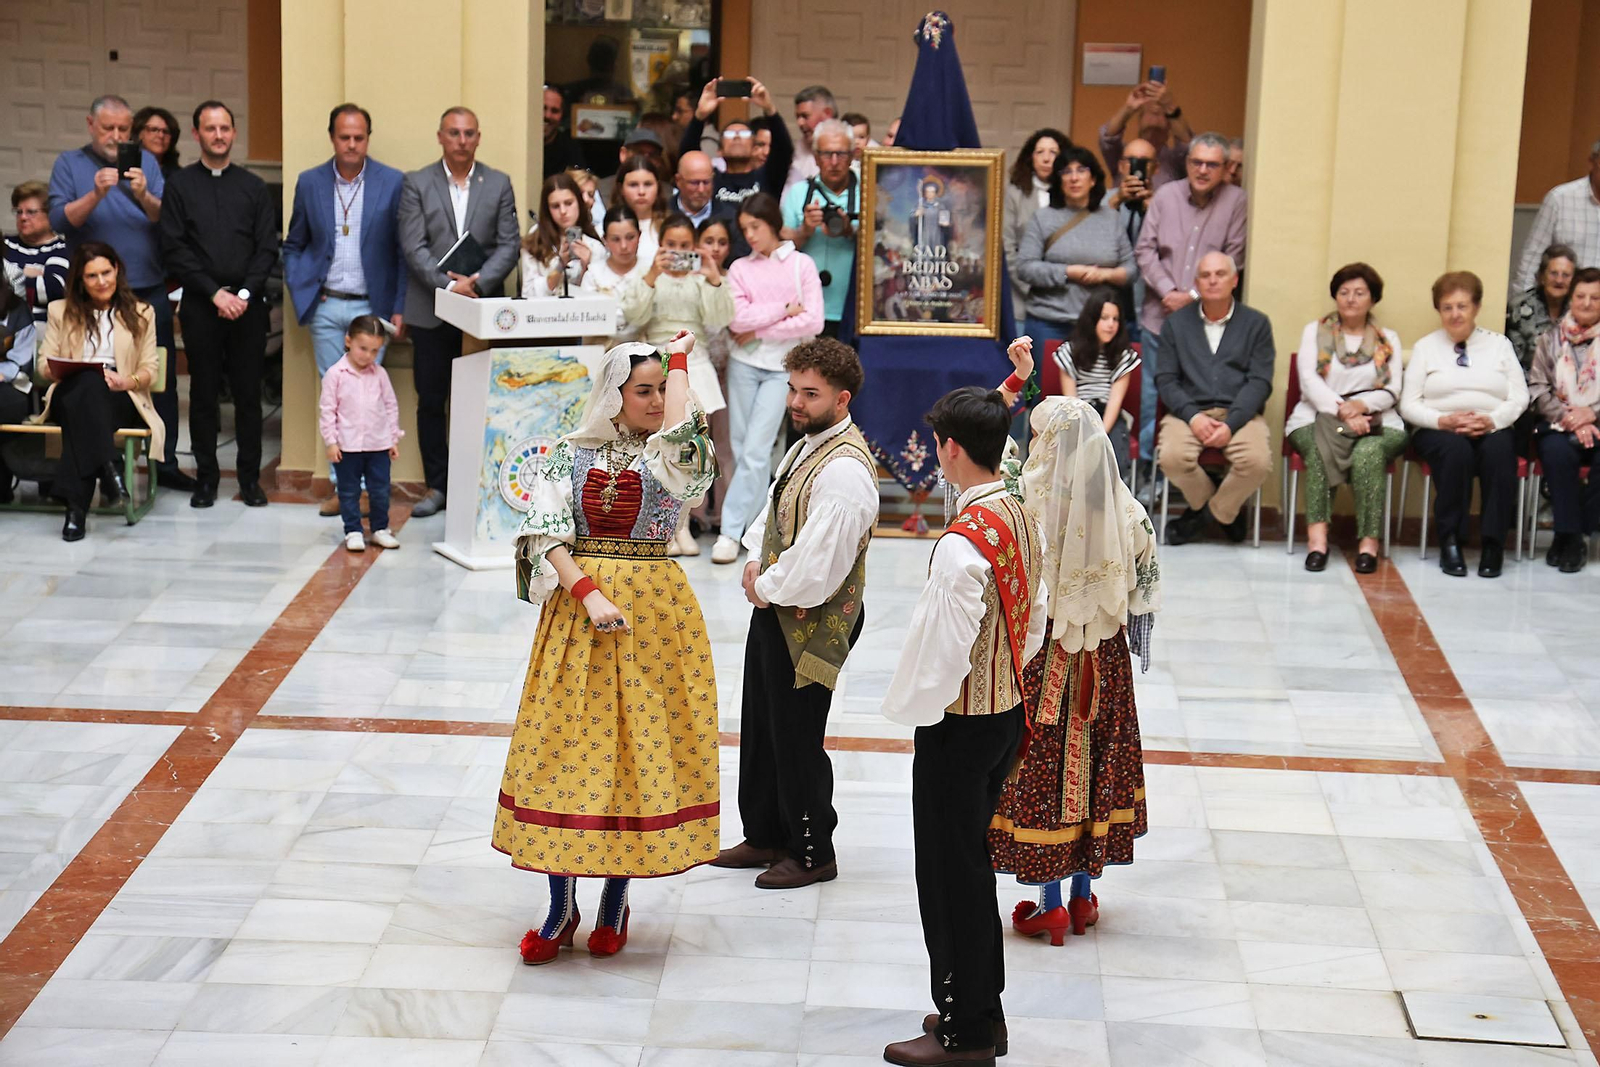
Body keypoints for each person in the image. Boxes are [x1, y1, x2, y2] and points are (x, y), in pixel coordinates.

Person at [496, 332, 719, 965]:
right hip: (580, 613)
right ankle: (560, 905)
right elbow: (543, 532)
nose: (654, 400)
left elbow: (687, 453)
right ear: (614, 393)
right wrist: (588, 591)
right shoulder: (567, 454)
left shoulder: (673, 456)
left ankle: (616, 898)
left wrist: (679, 364)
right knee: (567, 747)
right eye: (641, 389)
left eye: (661, 389)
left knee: (635, 749)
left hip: (654, 614)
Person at [881, 386, 1047, 1067]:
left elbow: (940, 655)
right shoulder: (1018, 511)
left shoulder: (959, 546)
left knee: (949, 879)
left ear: (950, 449)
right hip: (1006, 712)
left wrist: (919, 713)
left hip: (960, 726)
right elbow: (1036, 616)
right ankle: (984, 1009)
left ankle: (962, 1030)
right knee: (971, 868)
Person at [990, 346, 1159, 945]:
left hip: (1044, 657)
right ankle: (1085, 895)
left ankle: (1050, 901)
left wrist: (1019, 387)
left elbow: (988, 448)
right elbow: (1143, 592)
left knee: (1043, 764)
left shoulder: (1025, 502)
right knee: (1095, 759)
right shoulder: (1128, 509)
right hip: (1103, 661)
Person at [713, 338, 877, 888]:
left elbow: (821, 563)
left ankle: (812, 851)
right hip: (780, 605)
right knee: (761, 723)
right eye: (792, 389)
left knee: (796, 734)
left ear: (843, 398)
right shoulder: (808, 444)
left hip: (812, 617)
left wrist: (768, 585)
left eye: (810, 393)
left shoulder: (846, 470)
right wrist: (755, 556)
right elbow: (776, 503)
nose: (796, 402)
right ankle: (764, 834)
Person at [48, 94, 192, 491]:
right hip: (90, 292)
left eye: (124, 129)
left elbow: (165, 219)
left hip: (146, 286)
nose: (116, 136)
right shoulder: (69, 164)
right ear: (90, 124)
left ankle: (163, 462)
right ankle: (101, 462)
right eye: (108, 127)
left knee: (158, 374)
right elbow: (60, 219)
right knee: (91, 378)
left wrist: (144, 192)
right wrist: (95, 193)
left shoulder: (146, 162)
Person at [283, 102, 410, 516]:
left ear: (367, 139)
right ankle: (345, 490)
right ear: (332, 137)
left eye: (359, 137)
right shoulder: (310, 182)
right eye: (344, 137)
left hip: (372, 312)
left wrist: (397, 307)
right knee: (335, 398)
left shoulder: (392, 182)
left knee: (368, 400)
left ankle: (371, 489)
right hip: (326, 306)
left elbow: (402, 251)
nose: (352, 144)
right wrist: (301, 285)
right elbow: (294, 243)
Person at [397, 105, 521, 519]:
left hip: (483, 310)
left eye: (469, 133)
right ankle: (438, 486)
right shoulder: (416, 183)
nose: (462, 141)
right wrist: (451, 286)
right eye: (454, 133)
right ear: (440, 137)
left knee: (484, 399)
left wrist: (478, 283)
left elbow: (509, 243)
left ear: (478, 137)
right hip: (433, 309)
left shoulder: (499, 183)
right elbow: (413, 245)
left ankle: (480, 485)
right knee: (431, 400)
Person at [159, 100, 277, 509]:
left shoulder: (253, 187)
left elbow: (267, 247)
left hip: (247, 307)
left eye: (225, 127)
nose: (219, 135)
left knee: (248, 396)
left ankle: (249, 481)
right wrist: (215, 293)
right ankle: (207, 479)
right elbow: (174, 248)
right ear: (197, 134)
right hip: (200, 303)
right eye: (210, 128)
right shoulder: (180, 186)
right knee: (205, 395)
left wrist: (242, 295)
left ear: (234, 132)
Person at [712, 192, 825, 563]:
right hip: (743, 364)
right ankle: (755, 533)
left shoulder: (801, 265)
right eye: (745, 229)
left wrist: (760, 330)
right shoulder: (741, 268)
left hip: (781, 368)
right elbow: (736, 319)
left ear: (773, 223)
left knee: (757, 451)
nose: (750, 236)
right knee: (743, 449)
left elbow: (813, 321)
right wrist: (783, 311)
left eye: (755, 227)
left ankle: (730, 532)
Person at [1135, 132, 1247, 488]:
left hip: (1207, 322)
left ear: (1225, 167)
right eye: (1196, 162)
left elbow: (1235, 256)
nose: (1202, 170)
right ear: (1186, 163)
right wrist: (1169, 291)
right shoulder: (1166, 195)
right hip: (1159, 316)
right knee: (1153, 394)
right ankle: (1152, 476)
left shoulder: (1236, 201)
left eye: (1212, 164)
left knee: (1196, 394)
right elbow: (1145, 250)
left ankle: (1185, 476)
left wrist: (1194, 295)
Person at [1400, 271, 1528, 578]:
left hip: (1491, 425)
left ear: (1476, 307)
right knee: (1456, 451)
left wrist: (1492, 421)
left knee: (1499, 453)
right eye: (1447, 307)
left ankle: (1493, 544)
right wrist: (1443, 420)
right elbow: (1408, 404)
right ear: (1439, 311)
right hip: (1438, 430)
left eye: (1462, 306)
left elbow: (1520, 396)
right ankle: (1450, 540)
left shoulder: (1500, 345)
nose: (1455, 314)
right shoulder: (1425, 348)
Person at [620, 214, 735, 554]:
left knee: (691, 451)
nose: (678, 252)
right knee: (659, 448)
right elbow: (633, 316)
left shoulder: (702, 280)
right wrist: (653, 276)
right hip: (656, 364)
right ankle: (664, 526)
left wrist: (714, 279)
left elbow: (720, 320)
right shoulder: (648, 278)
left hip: (695, 362)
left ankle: (684, 523)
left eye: (686, 246)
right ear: (660, 246)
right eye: (671, 245)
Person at [35, 243, 163, 541]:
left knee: (88, 407)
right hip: (70, 393)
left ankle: (76, 511)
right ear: (80, 279)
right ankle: (108, 467)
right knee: (87, 383)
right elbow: (44, 364)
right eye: (92, 276)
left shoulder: (142, 312)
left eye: (106, 272)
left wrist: (125, 381)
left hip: (120, 397)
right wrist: (60, 369)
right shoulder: (60, 311)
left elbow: (150, 369)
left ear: (117, 270)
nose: (102, 281)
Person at [1285, 263, 1407, 574]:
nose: (1351, 299)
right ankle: (1317, 543)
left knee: (1369, 453)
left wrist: (1362, 406)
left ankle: (1368, 545)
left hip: (1377, 420)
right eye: (1344, 292)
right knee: (1320, 449)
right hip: (1316, 416)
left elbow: (1393, 388)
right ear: (1335, 296)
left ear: (1373, 298)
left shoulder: (1386, 337)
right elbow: (1309, 381)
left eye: (1359, 293)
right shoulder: (1315, 331)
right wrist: (1343, 411)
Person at [1156, 251, 1274, 546]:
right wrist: (1193, 417)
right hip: (1189, 412)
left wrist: (1231, 424)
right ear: (1196, 282)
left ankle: (1204, 517)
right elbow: (1166, 380)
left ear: (1234, 280)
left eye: (1220, 274)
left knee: (1258, 462)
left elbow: (1259, 382)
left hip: (1239, 412)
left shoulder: (1256, 324)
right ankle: (1227, 513)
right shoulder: (1176, 324)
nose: (1212, 280)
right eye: (1205, 275)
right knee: (1171, 458)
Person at [1014, 146, 1135, 347]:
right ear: (1058, 181)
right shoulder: (1043, 218)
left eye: (1081, 171)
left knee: (1094, 380)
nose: (1074, 178)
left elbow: (1131, 269)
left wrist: (1105, 275)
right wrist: (1068, 272)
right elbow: (1025, 268)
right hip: (1049, 323)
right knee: (1044, 380)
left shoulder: (1111, 219)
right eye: (1066, 172)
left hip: (1099, 325)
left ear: (1093, 179)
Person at [1527, 266, 1600, 572]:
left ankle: (1574, 532)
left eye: (1595, 298)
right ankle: (1568, 537)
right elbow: (1538, 388)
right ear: (1571, 299)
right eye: (1580, 296)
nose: (1586, 303)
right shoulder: (1550, 339)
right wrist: (1573, 417)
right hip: (1558, 423)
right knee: (1557, 453)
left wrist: (1592, 415)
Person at [319, 315, 402, 553]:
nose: (368, 355)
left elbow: (390, 406)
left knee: (380, 489)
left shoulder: (380, 375)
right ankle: (353, 530)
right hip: (347, 446)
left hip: (378, 445)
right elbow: (327, 410)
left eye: (374, 351)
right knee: (348, 491)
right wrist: (331, 442)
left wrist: (393, 438)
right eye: (363, 348)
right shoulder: (335, 374)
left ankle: (379, 529)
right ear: (348, 341)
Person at [1048, 289, 1140, 479]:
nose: (1111, 325)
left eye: (1115, 319)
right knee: (1070, 458)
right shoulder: (1069, 351)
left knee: (1112, 456)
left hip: (1108, 416)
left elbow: (1115, 402)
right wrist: (1085, 431)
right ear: (1092, 319)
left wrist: (1099, 435)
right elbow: (1070, 402)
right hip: (1077, 414)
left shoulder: (1125, 355)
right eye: (1104, 318)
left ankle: (1109, 507)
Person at [780, 119, 857, 337]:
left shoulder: (869, 191)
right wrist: (804, 230)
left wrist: (849, 230)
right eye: (826, 154)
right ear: (815, 157)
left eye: (841, 154)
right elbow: (780, 251)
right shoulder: (798, 193)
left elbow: (882, 244)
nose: (834, 162)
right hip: (806, 306)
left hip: (852, 308)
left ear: (852, 156)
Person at [679, 78, 793, 222]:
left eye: (745, 134)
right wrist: (700, 116)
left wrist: (770, 110)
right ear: (719, 150)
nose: (737, 137)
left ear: (754, 148)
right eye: (730, 134)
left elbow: (784, 150)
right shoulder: (711, 181)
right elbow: (688, 157)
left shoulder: (767, 177)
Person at [693, 216, 739, 531]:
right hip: (696, 370)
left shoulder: (732, 280)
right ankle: (694, 514)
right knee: (694, 444)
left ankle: (726, 513)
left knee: (724, 445)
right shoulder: (688, 279)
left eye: (722, 242)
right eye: (709, 241)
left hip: (728, 370)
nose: (716, 248)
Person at [1513, 139, 1600, 293]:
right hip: (1562, 306)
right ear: (1592, 162)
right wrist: (1522, 306)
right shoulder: (1560, 199)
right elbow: (1532, 258)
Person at [1003, 128, 1069, 323]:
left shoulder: (1074, 193)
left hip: (1066, 296)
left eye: (1053, 152)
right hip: (1022, 295)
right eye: (1040, 152)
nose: (1046, 159)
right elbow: (1006, 246)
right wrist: (1029, 286)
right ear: (1030, 158)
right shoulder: (1015, 193)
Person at [520, 173, 605, 299]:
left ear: (579, 203)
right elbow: (528, 295)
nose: (563, 211)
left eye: (568, 203)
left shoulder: (595, 247)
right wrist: (560, 267)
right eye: (555, 206)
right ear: (547, 210)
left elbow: (600, 298)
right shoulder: (534, 243)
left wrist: (586, 267)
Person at [1099, 79, 1193, 191]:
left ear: (1170, 124)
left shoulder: (1175, 160)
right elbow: (1108, 138)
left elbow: (1188, 145)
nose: (1154, 117)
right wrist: (1129, 108)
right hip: (1123, 207)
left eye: (1159, 114)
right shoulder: (1124, 154)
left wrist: (1170, 107)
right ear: (1139, 121)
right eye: (1149, 112)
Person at [6, 181, 70, 335]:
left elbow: (53, 290)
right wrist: (30, 274)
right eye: (19, 212)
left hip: (44, 333)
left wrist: (8, 275)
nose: (23, 217)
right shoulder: (5, 244)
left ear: (50, 214)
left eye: (31, 212)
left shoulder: (63, 249)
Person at [580, 205, 647, 344]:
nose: (624, 246)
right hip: (601, 353)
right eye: (616, 239)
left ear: (639, 235)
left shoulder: (650, 272)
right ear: (605, 240)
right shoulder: (593, 275)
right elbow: (589, 322)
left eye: (630, 237)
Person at [1508, 243, 1578, 371]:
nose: (1559, 280)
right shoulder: (1519, 309)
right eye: (1553, 273)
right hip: (1527, 386)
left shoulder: (1580, 310)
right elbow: (1512, 366)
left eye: (1566, 275)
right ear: (1541, 276)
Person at [611, 155, 670, 265]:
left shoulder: (672, 228)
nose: (641, 192)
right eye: (633, 185)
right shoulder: (604, 229)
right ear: (621, 189)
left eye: (648, 184)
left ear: (658, 187)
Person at [786, 84, 837, 192]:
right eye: (798, 117)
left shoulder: (857, 146)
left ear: (827, 114)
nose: (799, 123)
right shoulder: (796, 149)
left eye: (805, 116)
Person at [541, 86, 587, 179]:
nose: (547, 115)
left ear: (562, 116)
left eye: (554, 111)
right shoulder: (520, 142)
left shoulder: (570, 148)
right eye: (543, 108)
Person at [670, 150, 721, 227]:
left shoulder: (730, 217)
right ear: (678, 181)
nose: (701, 189)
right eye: (694, 183)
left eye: (706, 182)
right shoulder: (662, 214)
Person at [132, 106, 181, 176]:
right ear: (139, 133)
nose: (161, 136)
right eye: (154, 130)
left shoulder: (178, 176)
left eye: (166, 131)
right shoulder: (128, 168)